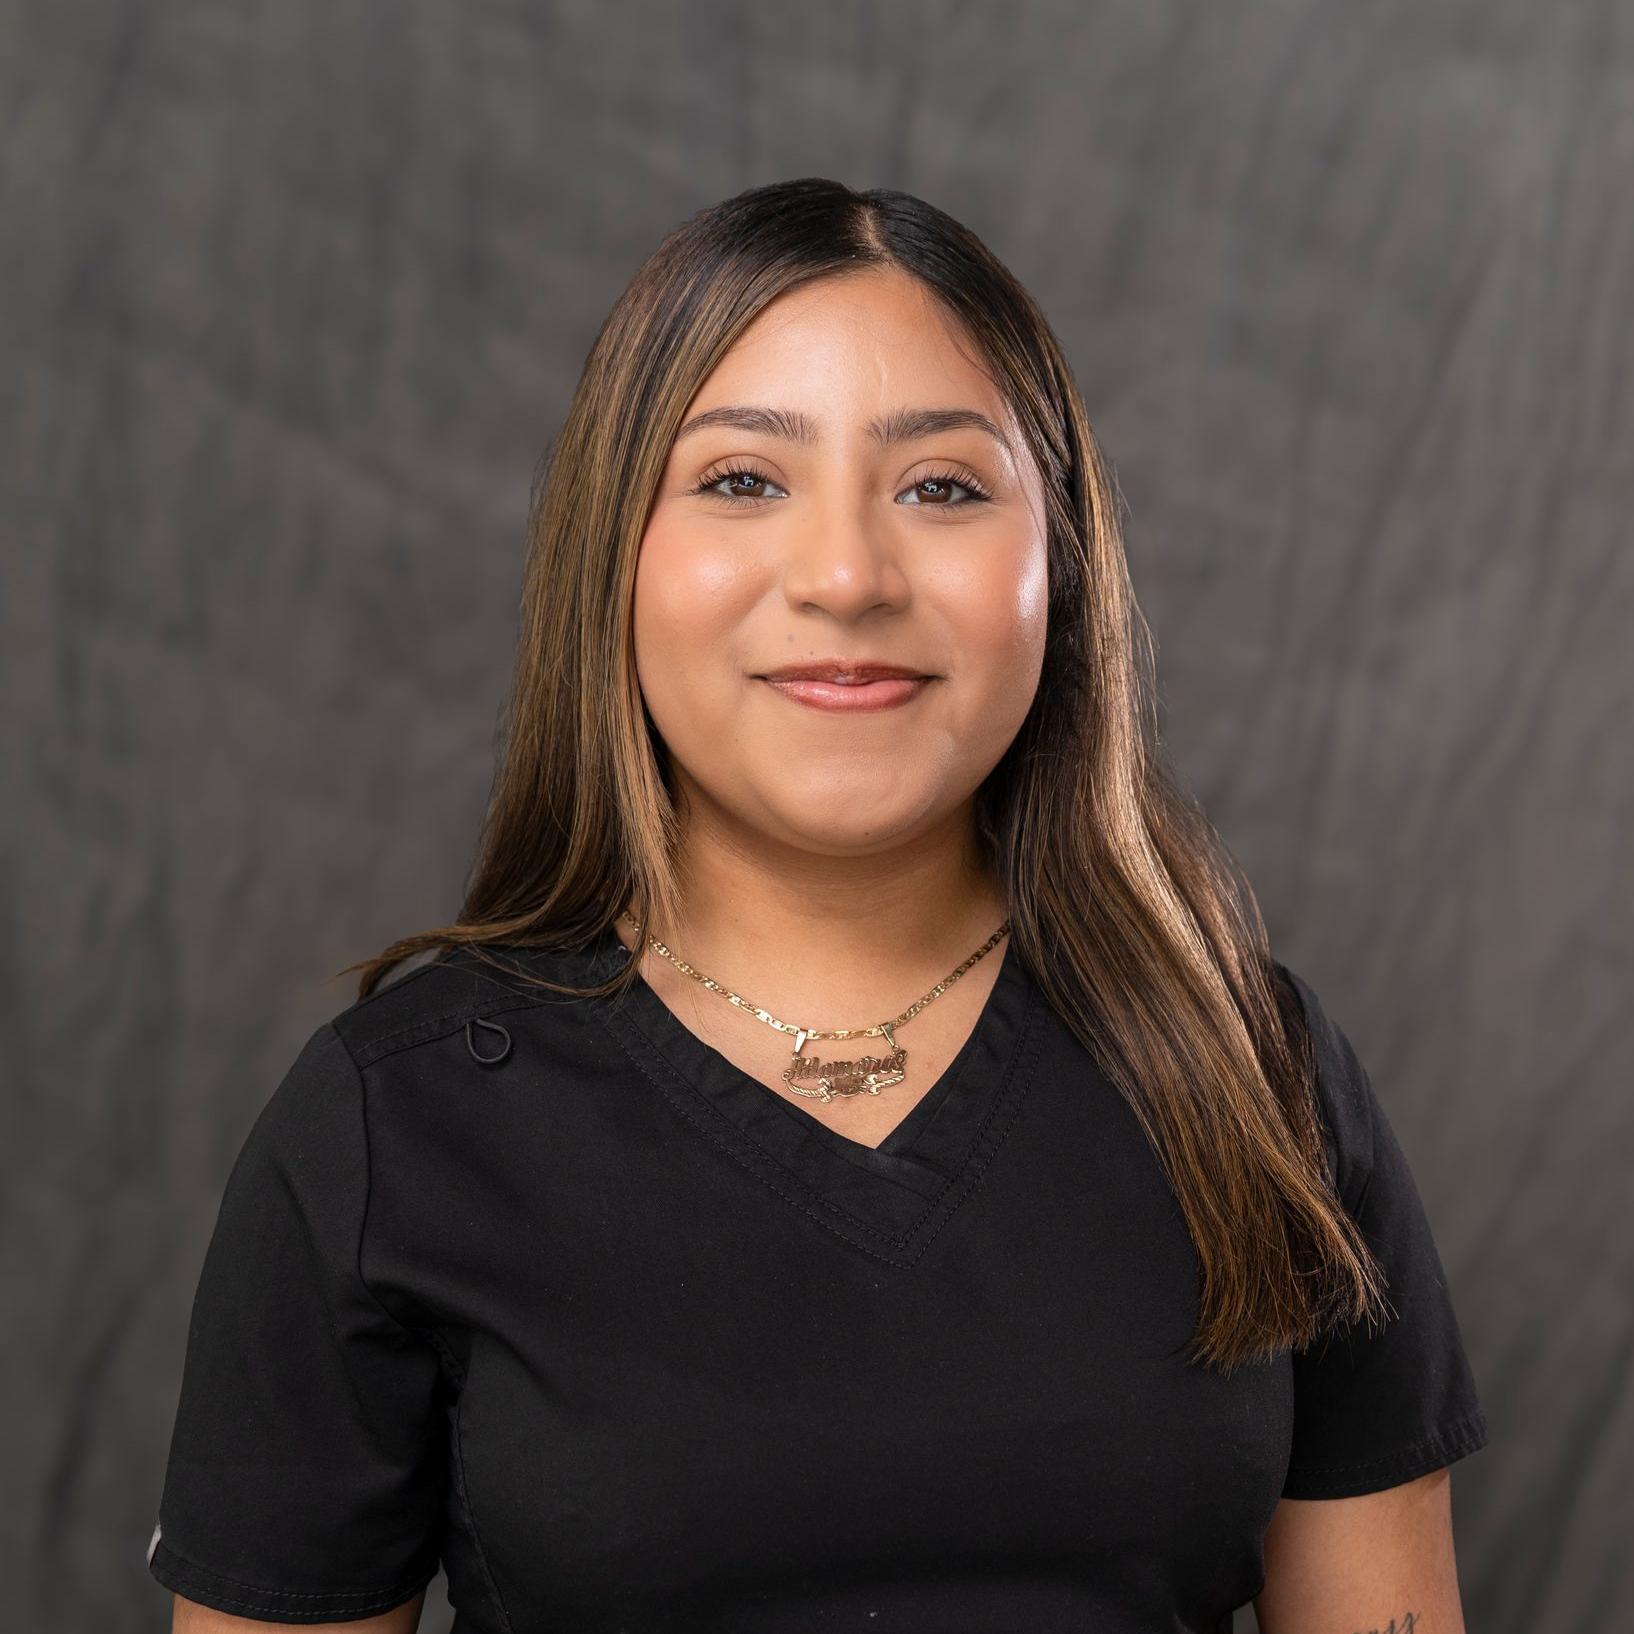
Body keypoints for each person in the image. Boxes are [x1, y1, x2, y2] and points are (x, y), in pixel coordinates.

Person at [146, 178, 1488, 1634]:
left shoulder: (1256, 1076)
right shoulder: (389, 1130)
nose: (846, 575)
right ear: (616, 556)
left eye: (942, 487)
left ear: (1062, 563)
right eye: (739, 479)